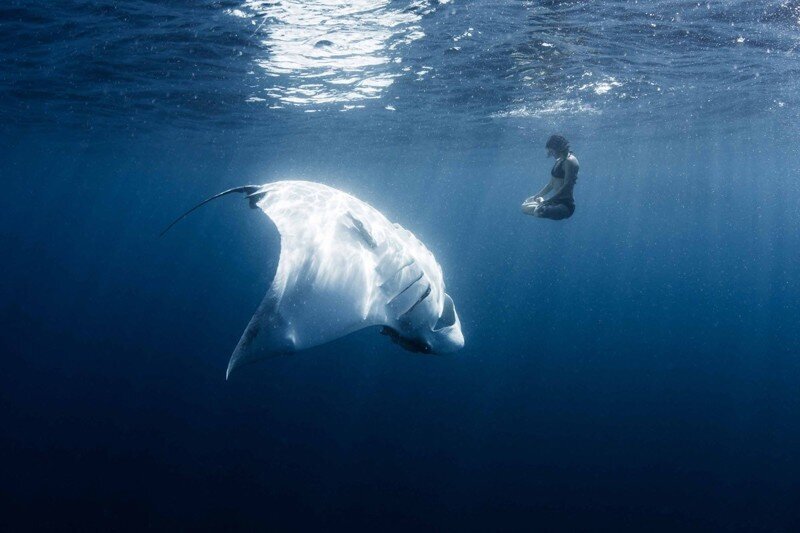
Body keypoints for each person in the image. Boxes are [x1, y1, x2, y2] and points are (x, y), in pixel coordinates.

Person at [522, 134, 579, 220]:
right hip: (554, 202)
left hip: (565, 205)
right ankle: (541, 202)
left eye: (552, 152)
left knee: (539, 212)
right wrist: (537, 196)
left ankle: (541, 205)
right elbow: (551, 184)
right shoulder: (559, 160)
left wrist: (548, 201)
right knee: (524, 208)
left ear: (558, 148)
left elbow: (567, 186)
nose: (551, 154)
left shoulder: (570, 161)